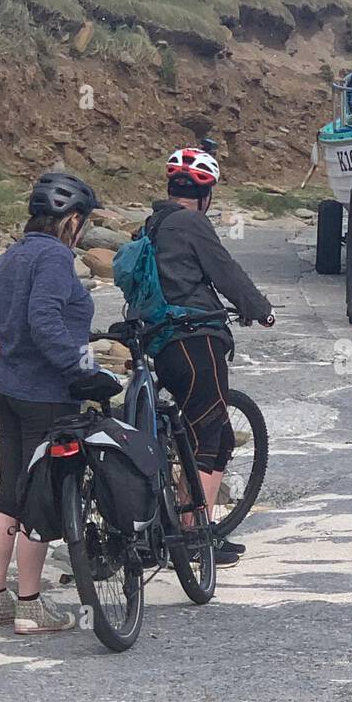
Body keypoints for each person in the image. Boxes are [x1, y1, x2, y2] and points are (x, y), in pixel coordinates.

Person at [0, 171, 121, 634]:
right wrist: (83, 372)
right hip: (46, 395)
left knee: (9, 493)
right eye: (84, 222)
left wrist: (18, 345)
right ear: (72, 220)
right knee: (38, 498)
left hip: (7, 388)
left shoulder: (9, 258)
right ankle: (31, 606)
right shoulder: (56, 258)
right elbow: (45, 320)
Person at [140, 148, 274, 566]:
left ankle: (169, 525)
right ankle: (196, 537)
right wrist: (258, 308)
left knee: (190, 431)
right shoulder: (191, 223)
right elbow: (224, 270)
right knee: (210, 437)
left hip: (161, 344)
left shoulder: (151, 226)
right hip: (196, 340)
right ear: (206, 194)